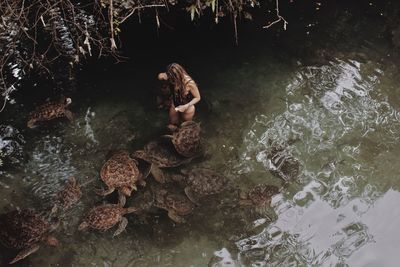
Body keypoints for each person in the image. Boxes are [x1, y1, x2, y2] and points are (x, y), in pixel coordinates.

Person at [157, 63, 201, 131]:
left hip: (187, 107)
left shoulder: (189, 83)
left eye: (174, 77)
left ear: (179, 74)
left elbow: (198, 97)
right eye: (170, 76)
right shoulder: (169, 76)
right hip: (175, 105)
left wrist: (186, 106)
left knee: (184, 128)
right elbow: (160, 76)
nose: (172, 79)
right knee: (172, 125)